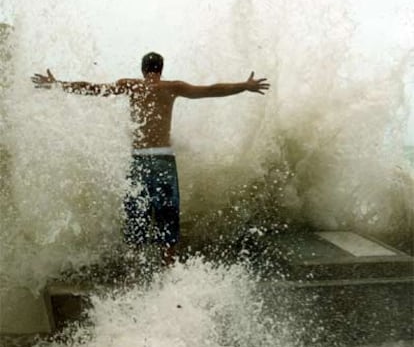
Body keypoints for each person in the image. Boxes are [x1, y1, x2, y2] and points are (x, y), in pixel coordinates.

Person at [31, 52, 270, 266]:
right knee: (167, 214)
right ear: (161, 69)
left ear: (143, 70)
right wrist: (245, 86)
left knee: (137, 214)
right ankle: (167, 267)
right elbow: (210, 90)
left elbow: (94, 88)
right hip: (164, 160)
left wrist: (58, 84)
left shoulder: (131, 86)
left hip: (139, 160)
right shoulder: (173, 87)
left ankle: (135, 269)